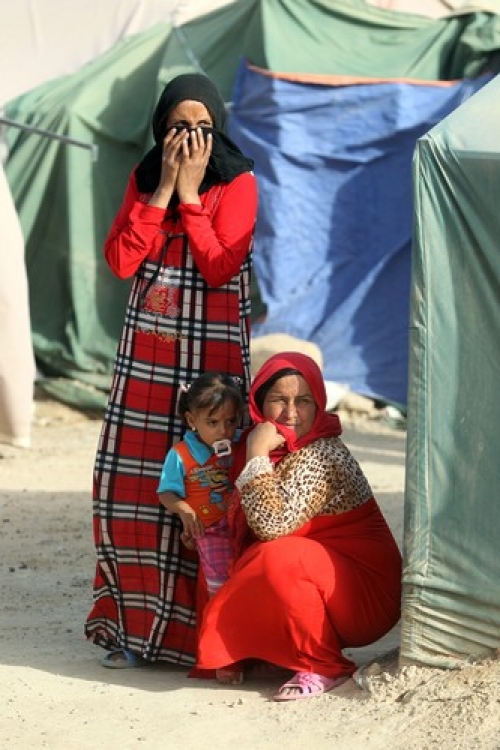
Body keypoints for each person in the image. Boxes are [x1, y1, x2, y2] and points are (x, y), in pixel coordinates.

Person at [85, 73, 258, 669]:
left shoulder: (238, 183)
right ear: (160, 130)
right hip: (149, 361)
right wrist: (162, 188)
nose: (190, 138)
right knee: (129, 491)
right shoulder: (142, 180)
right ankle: (136, 630)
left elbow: (220, 266)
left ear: (219, 130)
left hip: (211, 363)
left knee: (211, 493)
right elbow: (121, 260)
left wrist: (191, 198)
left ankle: (210, 638)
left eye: (203, 127)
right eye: (179, 126)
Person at [196, 351, 402, 700]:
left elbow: (270, 525)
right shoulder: (265, 447)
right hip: (326, 582)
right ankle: (276, 652)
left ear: (318, 403)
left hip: (365, 596)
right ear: (259, 404)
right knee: (231, 559)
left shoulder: (322, 454)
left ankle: (323, 666)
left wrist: (257, 454)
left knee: (278, 557)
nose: (291, 413)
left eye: (303, 401)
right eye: (279, 400)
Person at [157, 372, 244, 597]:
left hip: (243, 527)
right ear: (192, 420)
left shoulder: (242, 444)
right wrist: (184, 510)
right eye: (213, 422)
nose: (223, 431)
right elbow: (166, 492)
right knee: (221, 588)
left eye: (231, 421)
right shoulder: (181, 455)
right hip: (210, 532)